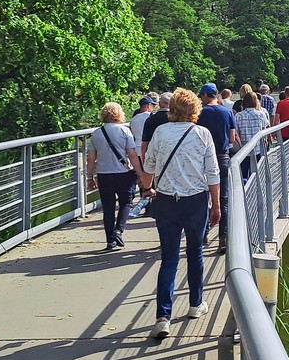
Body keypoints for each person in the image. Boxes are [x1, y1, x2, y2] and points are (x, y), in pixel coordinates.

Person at [142, 88, 220, 340]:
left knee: (169, 258)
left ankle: (162, 317)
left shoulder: (160, 132)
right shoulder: (202, 134)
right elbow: (213, 174)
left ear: (172, 108)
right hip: (195, 200)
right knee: (195, 252)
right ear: (195, 109)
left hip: (166, 201)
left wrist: (148, 188)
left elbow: (148, 167)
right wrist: (216, 205)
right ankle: (196, 304)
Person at [85, 103, 144, 251]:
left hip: (104, 175)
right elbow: (132, 155)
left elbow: (91, 158)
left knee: (108, 208)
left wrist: (89, 177)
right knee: (126, 203)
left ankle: (110, 240)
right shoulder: (124, 131)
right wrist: (140, 174)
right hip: (124, 174)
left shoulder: (97, 133)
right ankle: (119, 230)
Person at [196, 83, 239, 253]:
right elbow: (232, 136)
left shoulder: (199, 113)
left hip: (201, 160)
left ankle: (204, 233)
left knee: (202, 197)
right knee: (224, 199)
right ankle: (223, 238)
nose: (200, 98)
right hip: (222, 157)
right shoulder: (226, 112)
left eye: (201, 96)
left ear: (207, 95)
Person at [233, 89, 270, 181]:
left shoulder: (238, 115)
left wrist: (240, 144)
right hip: (258, 148)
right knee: (257, 172)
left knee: (243, 173)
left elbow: (236, 132)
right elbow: (265, 129)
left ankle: (245, 186)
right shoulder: (261, 114)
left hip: (244, 149)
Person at [141, 91, 173, 159]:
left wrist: (144, 164)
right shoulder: (176, 120)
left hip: (154, 157)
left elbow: (144, 145)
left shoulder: (150, 120)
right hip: (171, 157)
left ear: (159, 103)